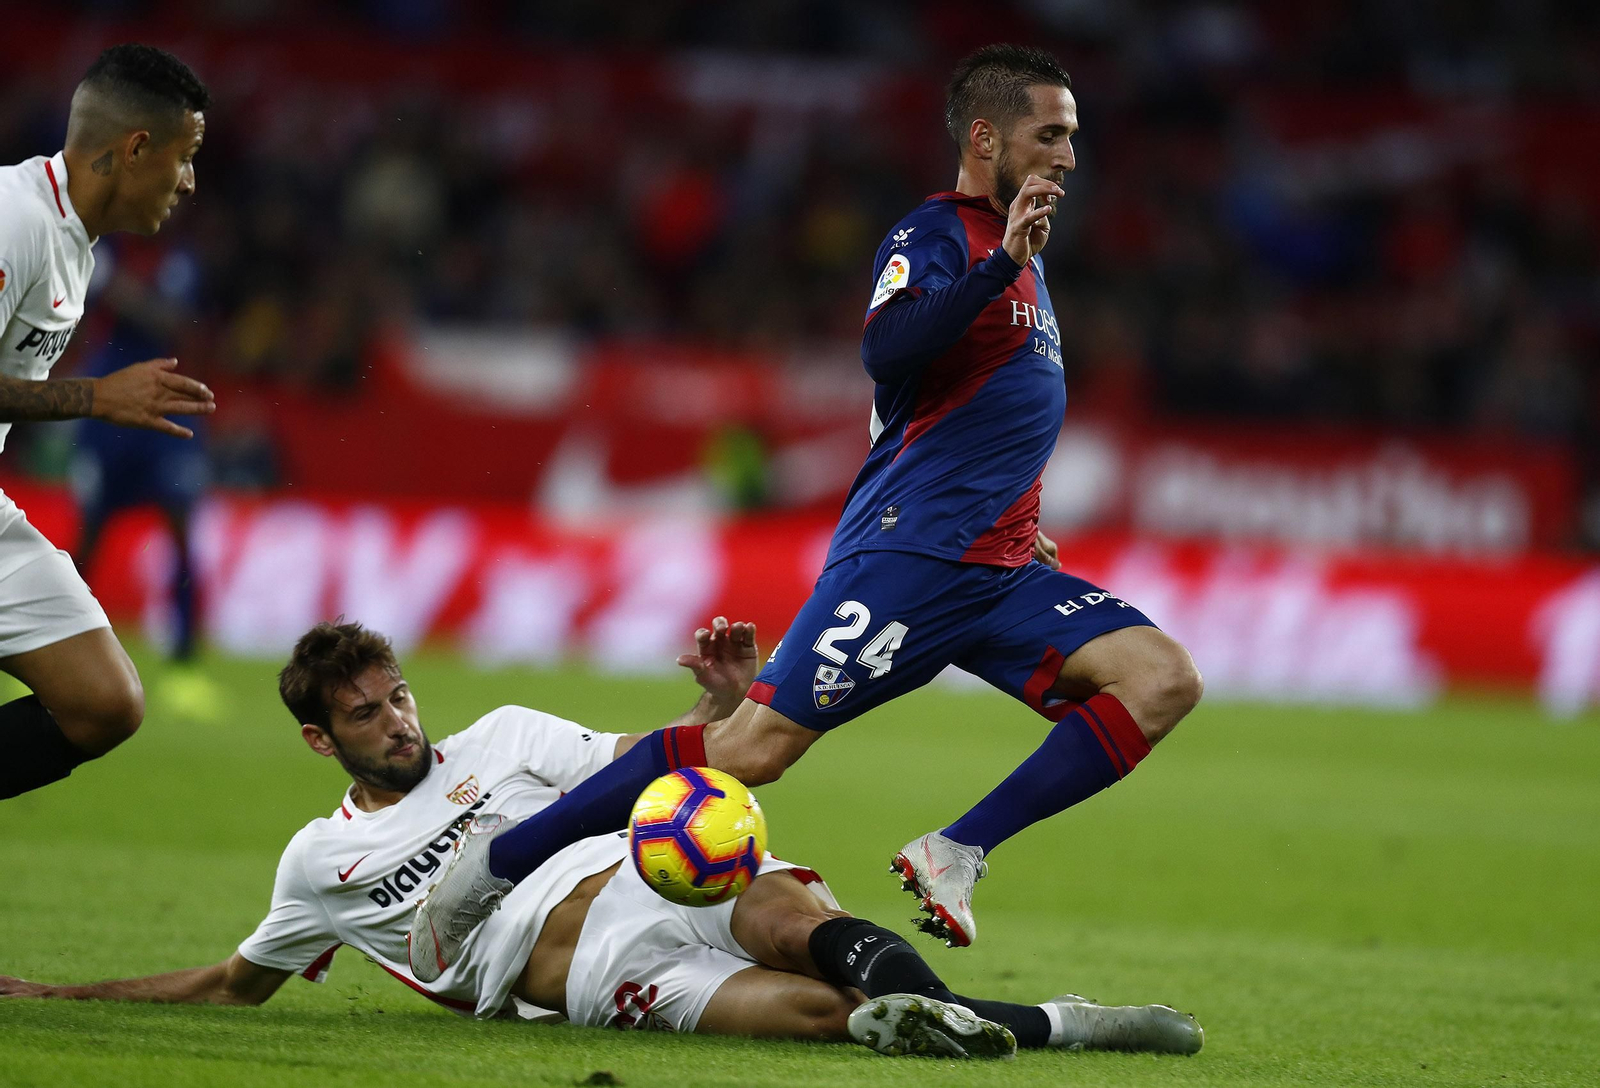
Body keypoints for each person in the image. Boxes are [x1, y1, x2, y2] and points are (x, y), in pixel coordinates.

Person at [409, 42, 1203, 975]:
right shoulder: (937, 236)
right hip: (913, 559)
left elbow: (971, 412)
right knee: (750, 747)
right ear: (987, 137)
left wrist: (1020, 516)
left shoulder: (1024, 257)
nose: (1070, 153)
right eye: (1052, 133)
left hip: (998, 566)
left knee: (1160, 680)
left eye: (1074, 135)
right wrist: (997, 270)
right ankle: (494, 865)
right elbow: (889, 350)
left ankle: (956, 851)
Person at [0, 619, 1203, 1060]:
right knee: (820, 1020)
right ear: (323, 741)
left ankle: (1011, 1017)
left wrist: (728, 702)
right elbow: (229, 983)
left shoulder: (510, 733)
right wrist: (54, 987)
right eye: (364, 713)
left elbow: (670, 760)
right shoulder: (318, 863)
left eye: (399, 693)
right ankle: (1056, 1021)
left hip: (648, 861)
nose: (396, 719)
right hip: (575, 967)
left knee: (798, 922)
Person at [0, 44, 216, 799]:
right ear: (134, 149)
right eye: (185, 158)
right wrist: (96, 397)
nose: (189, 182)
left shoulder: (78, 247)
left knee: (105, 703)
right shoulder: (13, 218)